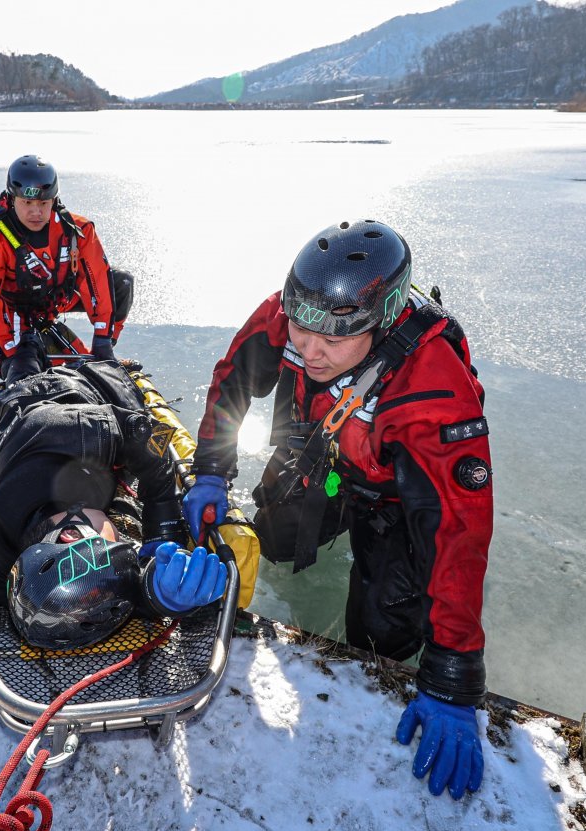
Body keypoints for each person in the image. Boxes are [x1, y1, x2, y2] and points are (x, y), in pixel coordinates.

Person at [181, 220, 492, 800]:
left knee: (380, 637)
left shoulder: (433, 389)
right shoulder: (291, 315)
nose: (309, 348)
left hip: (397, 496)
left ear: (382, 321)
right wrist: (210, 469)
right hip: (319, 454)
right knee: (273, 540)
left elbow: (456, 527)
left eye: (333, 339)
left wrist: (454, 669)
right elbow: (232, 384)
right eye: (301, 327)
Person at [0, 358, 226, 650]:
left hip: (61, 394)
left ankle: (28, 353)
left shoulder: (79, 432)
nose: (121, 533)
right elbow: (89, 592)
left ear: (71, 534)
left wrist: (162, 530)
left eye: (116, 540)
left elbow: (150, 435)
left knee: (27, 369)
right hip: (7, 428)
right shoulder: (13, 580)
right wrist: (155, 594)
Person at [0, 154, 133, 379]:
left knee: (122, 282)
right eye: (27, 203)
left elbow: (96, 280)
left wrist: (102, 340)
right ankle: (19, 356)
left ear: (54, 200)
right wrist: (10, 353)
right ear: (12, 199)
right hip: (15, 311)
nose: (36, 212)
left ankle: (102, 352)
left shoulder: (78, 229)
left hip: (55, 299)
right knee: (25, 370)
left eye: (43, 203)